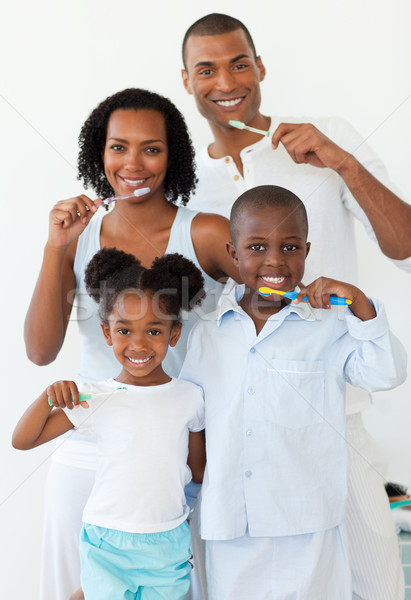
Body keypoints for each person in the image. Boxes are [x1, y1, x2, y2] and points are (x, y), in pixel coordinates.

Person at [180, 13, 411, 599]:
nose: (225, 80)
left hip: (338, 415)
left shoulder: (323, 137)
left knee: (376, 586)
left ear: (260, 67)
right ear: (187, 81)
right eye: (206, 68)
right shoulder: (189, 184)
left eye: (238, 62)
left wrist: (343, 163)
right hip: (240, 439)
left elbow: (405, 248)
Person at [24, 88, 238, 600]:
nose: (133, 163)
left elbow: (271, 300)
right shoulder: (77, 236)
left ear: (174, 155)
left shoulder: (206, 232)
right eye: (118, 147)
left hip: (175, 460)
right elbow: (39, 351)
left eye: (152, 148)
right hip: (88, 456)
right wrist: (57, 249)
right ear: (100, 153)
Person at [180, 184, 407, 600]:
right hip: (231, 526)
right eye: (257, 246)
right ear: (233, 253)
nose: (274, 261)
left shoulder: (329, 327)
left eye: (289, 247)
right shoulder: (206, 335)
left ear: (306, 249)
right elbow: (192, 421)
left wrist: (359, 304)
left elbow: (385, 373)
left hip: (309, 523)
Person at [15, 248, 207, 600]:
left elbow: (197, 471)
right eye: (124, 330)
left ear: (173, 334)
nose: (138, 344)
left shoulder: (190, 397)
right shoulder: (94, 397)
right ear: (107, 334)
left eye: (153, 331)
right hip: (106, 538)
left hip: (167, 540)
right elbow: (23, 440)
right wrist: (48, 396)